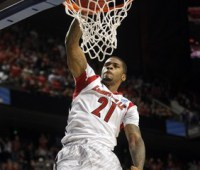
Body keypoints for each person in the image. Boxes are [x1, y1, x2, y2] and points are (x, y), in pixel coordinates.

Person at [54, 18, 146, 170]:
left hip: (103, 154)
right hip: (71, 150)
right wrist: (81, 15)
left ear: (123, 77)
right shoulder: (89, 80)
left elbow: (135, 138)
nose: (109, 67)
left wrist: (139, 166)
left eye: (115, 66)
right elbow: (71, 45)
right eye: (107, 65)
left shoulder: (129, 106)